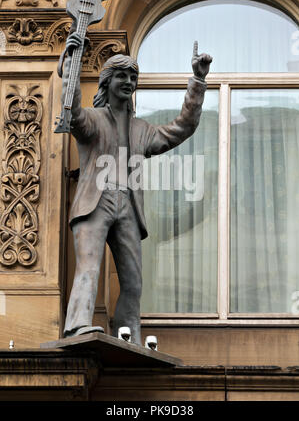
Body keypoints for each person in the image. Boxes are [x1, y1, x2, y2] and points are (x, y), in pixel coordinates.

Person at [62, 32, 212, 344]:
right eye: (121, 76)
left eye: (133, 77)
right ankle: (77, 325)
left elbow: (182, 128)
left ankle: (127, 334)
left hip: (128, 204)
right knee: (89, 267)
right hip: (96, 201)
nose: (128, 82)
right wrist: (71, 67)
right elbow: (73, 113)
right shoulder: (93, 120)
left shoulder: (142, 129)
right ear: (107, 82)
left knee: (132, 281)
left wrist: (197, 82)